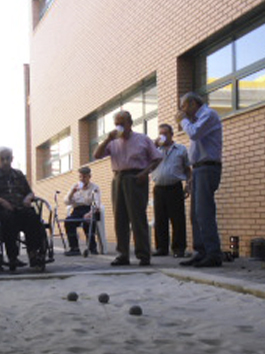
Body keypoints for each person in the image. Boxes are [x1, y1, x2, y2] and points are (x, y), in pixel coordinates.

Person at [93, 110, 161, 266]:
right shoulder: (113, 142)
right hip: (118, 178)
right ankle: (123, 254)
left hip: (136, 177)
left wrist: (145, 173)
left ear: (130, 123)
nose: (119, 127)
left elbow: (157, 158)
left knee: (138, 217)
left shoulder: (143, 139)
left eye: (122, 123)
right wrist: (107, 139)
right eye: (116, 124)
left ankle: (143, 254)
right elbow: (97, 155)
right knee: (120, 218)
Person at [178, 92, 224, 268]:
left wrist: (182, 120)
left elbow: (194, 134)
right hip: (198, 169)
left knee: (204, 212)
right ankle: (201, 252)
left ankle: (213, 253)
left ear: (191, 103)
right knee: (195, 214)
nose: (182, 111)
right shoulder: (198, 119)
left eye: (183, 107)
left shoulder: (208, 114)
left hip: (208, 167)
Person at [0, 147, 45, 270]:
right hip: (0, 209)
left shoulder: (18, 174)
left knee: (32, 216)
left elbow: (30, 193)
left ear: (12, 159)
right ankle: (12, 256)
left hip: (19, 207)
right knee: (8, 219)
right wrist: (1, 201)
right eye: (2, 159)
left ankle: (33, 254)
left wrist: (28, 198)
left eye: (8, 158)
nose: (5, 161)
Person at [151, 123, 190, 258]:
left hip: (174, 187)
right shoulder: (154, 150)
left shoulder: (181, 149)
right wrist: (153, 146)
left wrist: (188, 185)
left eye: (165, 133)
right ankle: (161, 248)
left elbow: (187, 169)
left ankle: (179, 249)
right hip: (159, 188)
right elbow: (144, 161)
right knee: (160, 219)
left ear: (171, 134)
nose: (162, 136)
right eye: (160, 133)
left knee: (178, 219)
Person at [63, 166, 101, 256]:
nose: (82, 179)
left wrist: (89, 213)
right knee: (68, 221)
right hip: (77, 210)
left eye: (84, 177)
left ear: (89, 177)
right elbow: (66, 202)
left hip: (90, 209)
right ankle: (74, 248)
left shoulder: (94, 187)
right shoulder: (75, 186)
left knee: (87, 222)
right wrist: (72, 192)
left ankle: (92, 247)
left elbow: (96, 203)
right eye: (80, 177)